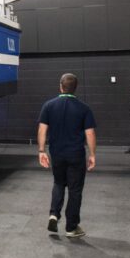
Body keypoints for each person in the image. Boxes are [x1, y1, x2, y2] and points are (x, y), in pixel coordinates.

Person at [37, 73, 96, 238]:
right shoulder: (84, 108)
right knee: (75, 190)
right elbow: (90, 133)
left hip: (57, 153)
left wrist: (41, 151)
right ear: (75, 88)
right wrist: (92, 154)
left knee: (58, 183)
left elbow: (42, 129)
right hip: (76, 155)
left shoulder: (48, 106)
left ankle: (54, 214)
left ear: (60, 86)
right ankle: (71, 227)